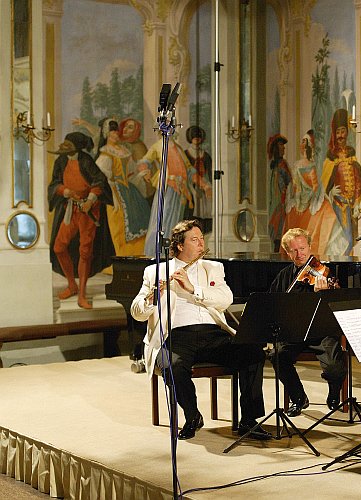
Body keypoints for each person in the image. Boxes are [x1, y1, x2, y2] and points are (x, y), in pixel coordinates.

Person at [130, 219, 271, 441]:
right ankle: (192, 415)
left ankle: (248, 420)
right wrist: (152, 299)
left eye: (201, 239)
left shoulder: (213, 268)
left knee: (253, 353)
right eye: (194, 240)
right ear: (179, 245)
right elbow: (136, 312)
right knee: (173, 366)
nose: (200, 243)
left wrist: (193, 288)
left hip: (213, 334)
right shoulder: (155, 271)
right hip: (176, 336)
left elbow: (225, 299)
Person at [268, 228, 347, 417]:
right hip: (295, 332)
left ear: (310, 247)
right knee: (276, 355)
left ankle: (334, 392)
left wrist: (326, 293)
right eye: (294, 250)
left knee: (334, 368)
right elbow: (272, 302)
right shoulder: (284, 276)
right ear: (288, 252)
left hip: (322, 332)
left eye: (302, 248)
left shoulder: (324, 273)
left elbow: (338, 304)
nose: (300, 254)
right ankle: (298, 397)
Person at [48, 132, 114, 309]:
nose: (64, 147)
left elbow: (100, 182)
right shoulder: (61, 162)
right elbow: (54, 184)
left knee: (85, 252)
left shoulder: (86, 161)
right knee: (59, 247)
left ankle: (82, 295)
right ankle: (72, 285)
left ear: (77, 146)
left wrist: (91, 199)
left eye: (68, 144)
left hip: (88, 212)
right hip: (71, 209)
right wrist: (64, 191)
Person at [95, 119, 151, 256]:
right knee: (119, 224)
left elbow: (131, 173)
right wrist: (112, 194)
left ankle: (140, 255)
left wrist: (141, 175)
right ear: (106, 134)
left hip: (129, 190)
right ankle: (121, 257)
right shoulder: (105, 154)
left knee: (142, 218)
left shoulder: (124, 151)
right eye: (112, 132)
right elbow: (102, 178)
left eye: (116, 131)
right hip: (114, 192)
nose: (115, 135)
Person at [321, 108, 361, 256]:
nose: (341, 135)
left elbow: (358, 181)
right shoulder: (331, 157)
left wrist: (358, 202)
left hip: (351, 205)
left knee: (352, 240)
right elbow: (326, 182)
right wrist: (330, 192)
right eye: (338, 132)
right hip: (338, 205)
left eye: (343, 131)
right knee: (344, 239)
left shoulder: (352, 155)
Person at [184, 125, 213, 233]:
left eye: (199, 136)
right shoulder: (185, 154)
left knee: (207, 206)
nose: (197, 138)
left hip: (204, 184)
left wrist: (208, 186)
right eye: (194, 136)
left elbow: (210, 173)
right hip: (190, 184)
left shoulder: (205, 155)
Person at [267, 134, 291, 252]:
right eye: (281, 145)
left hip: (281, 202)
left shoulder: (283, 164)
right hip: (274, 201)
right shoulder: (272, 165)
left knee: (279, 228)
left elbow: (289, 182)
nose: (283, 148)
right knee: (273, 227)